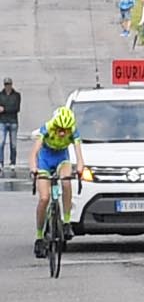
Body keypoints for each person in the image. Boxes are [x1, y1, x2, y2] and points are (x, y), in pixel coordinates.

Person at [30, 106, 85, 258]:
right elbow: (34, 152)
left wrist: (80, 167)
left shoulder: (73, 131)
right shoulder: (47, 128)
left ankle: (66, 222)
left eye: (65, 130)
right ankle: (39, 237)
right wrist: (33, 168)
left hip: (61, 158)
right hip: (45, 160)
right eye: (59, 129)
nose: (62, 133)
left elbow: (79, 155)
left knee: (66, 182)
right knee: (44, 198)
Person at [0, 76, 20, 166]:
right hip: (2, 121)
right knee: (1, 142)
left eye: (9, 84)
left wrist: (4, 109)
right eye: (6, 84)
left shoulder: (16, 95)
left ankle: (13, 162)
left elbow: (16, 108)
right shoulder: (0, 95)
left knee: (13, 144)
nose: (7, 86)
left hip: (13, 122)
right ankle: (1, 162)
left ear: (11, 85)